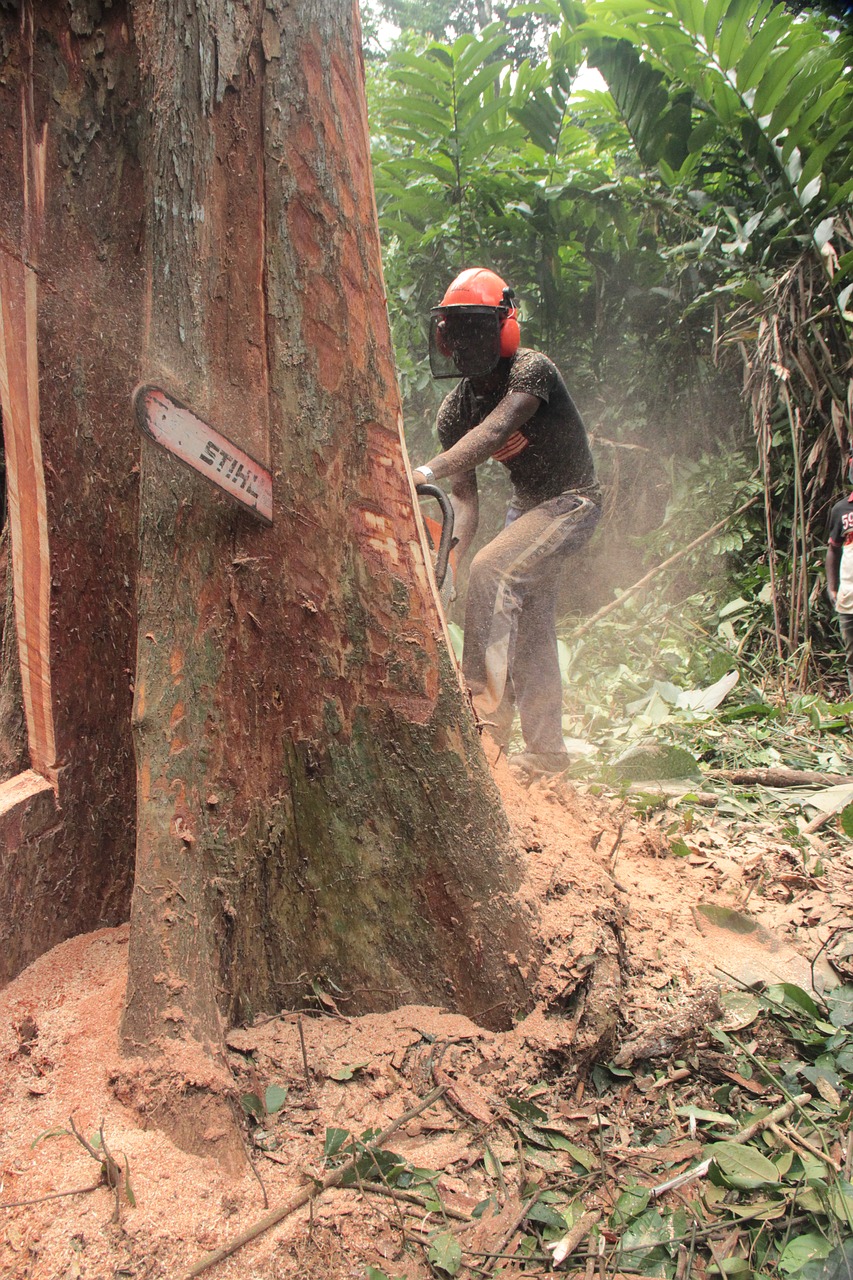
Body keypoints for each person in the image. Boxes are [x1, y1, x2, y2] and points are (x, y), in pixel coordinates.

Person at [413, 267, 602, 777]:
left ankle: (485, 724)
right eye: (457, 330)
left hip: (572, 500)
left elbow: (498, 427)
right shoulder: (454, 412)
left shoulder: (530, 371)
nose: (466, 340)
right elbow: (465, 502)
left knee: (493, 570)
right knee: (535, 628)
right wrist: (448, 556)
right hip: (527, 511)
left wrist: (426, 469)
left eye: (477, 327)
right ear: (444, 338)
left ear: (504, 327)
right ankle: (547, 755)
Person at [826, 442, 853, 696]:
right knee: (852, 657)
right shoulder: (841, 510)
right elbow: (833, 550)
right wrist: (832, 588)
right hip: (849, 597)